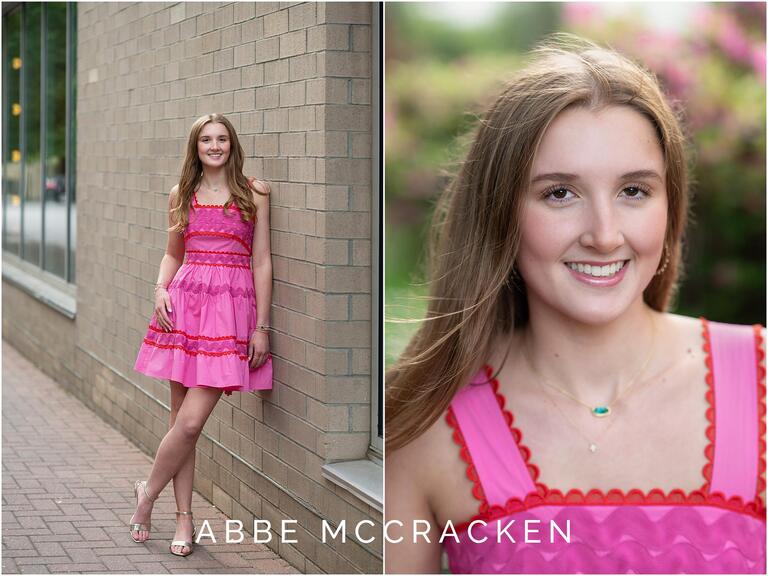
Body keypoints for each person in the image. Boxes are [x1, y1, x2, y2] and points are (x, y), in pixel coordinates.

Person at [385, 34, 765, 574]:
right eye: (559, 193)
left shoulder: (761, 380)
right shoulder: (425, 427)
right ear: (502, 216)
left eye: (634, 190)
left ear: (670, 206)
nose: (605, 235)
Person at [130, 113, 273, 557]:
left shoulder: (255, 193)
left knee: (190, 423)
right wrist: (158, 290)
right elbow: (173, 254)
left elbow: (262, 261)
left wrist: (261, 326)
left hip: (229, 316)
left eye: (222, 138)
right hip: (183, 308)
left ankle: (146, 495)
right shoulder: (181, 195)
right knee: (181, 424)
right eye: (206, 139)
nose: (215, 146)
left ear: (232, 144)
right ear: (195, 147)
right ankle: (184, 519)